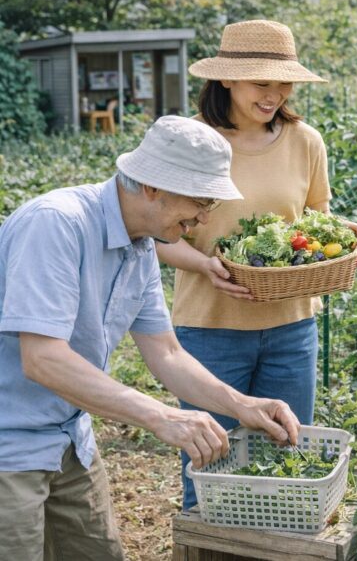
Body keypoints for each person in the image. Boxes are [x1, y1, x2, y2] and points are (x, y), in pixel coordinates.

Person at [0, 116, 301, 560]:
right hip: (9, 449)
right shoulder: (56, 224)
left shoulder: (139, 247)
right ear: (153, 187)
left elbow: (167, 353)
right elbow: (42, 359)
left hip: (68, 440)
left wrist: (243, 405)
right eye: (200, 201)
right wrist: (162, 417)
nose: (203, 219)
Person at [154, 19, 357, 510]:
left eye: (283, 82)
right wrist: (206, 265)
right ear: (226, 78)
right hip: (210, 330)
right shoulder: (192, 141)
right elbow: (155, 236)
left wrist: (344, 237)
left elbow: (316, 220)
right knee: (212, 466)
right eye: (262, 82)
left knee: (287, 462)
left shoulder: (305, 141)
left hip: (291, 328)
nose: (275, 95)